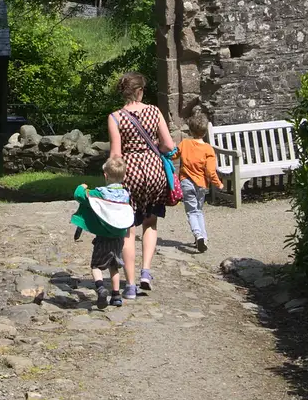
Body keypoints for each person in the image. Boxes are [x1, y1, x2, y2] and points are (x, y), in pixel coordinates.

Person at [107, 71, 176, 297]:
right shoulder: (155, 112)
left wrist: (109, 179)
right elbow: (167, 144)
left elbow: (116, 154)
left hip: (130, 173)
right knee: (150, 223)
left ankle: (130, 285)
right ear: (139, 91)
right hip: (155, 171)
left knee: (128, 230)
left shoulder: (115, 117)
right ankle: (146, 271)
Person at [69, 155, 135, 309]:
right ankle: (116, 296)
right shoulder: (126, 195)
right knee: (114, 266)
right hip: (119, 237)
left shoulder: (99, 193)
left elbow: (79, 195)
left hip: (103, 237)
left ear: (105, 175)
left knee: (96, 266)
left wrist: (82, 186)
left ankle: (100, 288)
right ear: (124, 176)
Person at [176, 105, 223, 253]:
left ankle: (198, 235)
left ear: (190, 130)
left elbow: (173, 155)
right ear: (204, 132)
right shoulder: (208, 149)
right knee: (199, 210)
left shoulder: (184, 144)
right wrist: (218, 183)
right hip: (201, 184)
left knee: (191, 211)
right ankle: (204, 237)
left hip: (186, 182)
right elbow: (210, 171)